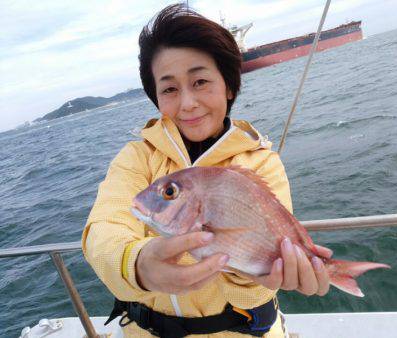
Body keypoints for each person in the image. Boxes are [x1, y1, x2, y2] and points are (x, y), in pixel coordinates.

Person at [82, 4, 331, 337]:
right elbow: (104, 229)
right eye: (169, 89)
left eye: (200, 81)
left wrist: (255, 277)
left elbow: (257, 290)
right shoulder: (136, 157)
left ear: (229, 86)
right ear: (156, 97)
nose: (187, 103)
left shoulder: (260, 162)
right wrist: (138, 264)